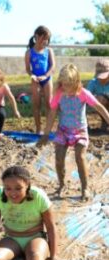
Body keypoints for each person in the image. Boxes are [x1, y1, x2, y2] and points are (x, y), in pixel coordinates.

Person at [37, 64, 109, 201]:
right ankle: (61, 185)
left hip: (80, 130)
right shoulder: (59, 93)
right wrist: (46, 134)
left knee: (79, 157)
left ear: (76, 82)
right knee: (59, 159)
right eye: (63, 84)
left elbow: (99, 107)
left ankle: (85, 188)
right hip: (63, 130)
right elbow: (52, 114)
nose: (66, 88)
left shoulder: (83, 93)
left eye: (69, 85)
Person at [25, 26, 55, 134]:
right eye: (43, 38)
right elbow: (28, 69)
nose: (45, 41)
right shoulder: (29, 52)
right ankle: (38, 129)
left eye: (47, 39)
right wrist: (32, 75)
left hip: (47, 79)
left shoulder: (49, 51)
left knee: (49, 104)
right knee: (36, 104)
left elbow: (52, 67)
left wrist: (46, 76)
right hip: (35, 79)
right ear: (36, 36)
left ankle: (48, 129)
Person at [87, 58, 109, 131]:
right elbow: (85, 98)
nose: (102, 79)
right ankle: (105, 121)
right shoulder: (93, 83)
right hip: (102, 107)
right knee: (99, 99)